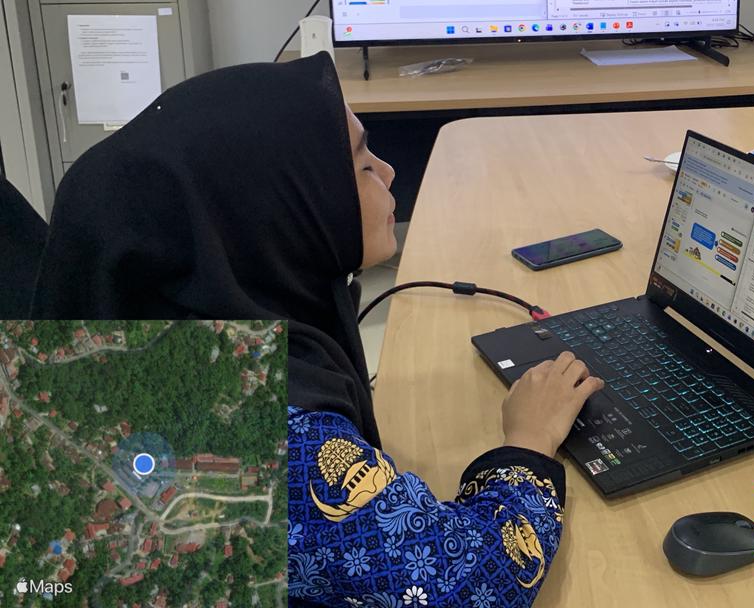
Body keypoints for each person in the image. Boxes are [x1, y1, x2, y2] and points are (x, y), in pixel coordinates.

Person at [31, 52, 602, 606]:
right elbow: (468, 585)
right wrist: (527, 443)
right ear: (275, 209)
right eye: (361, 163)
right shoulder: (264, 434)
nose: (388, 172)